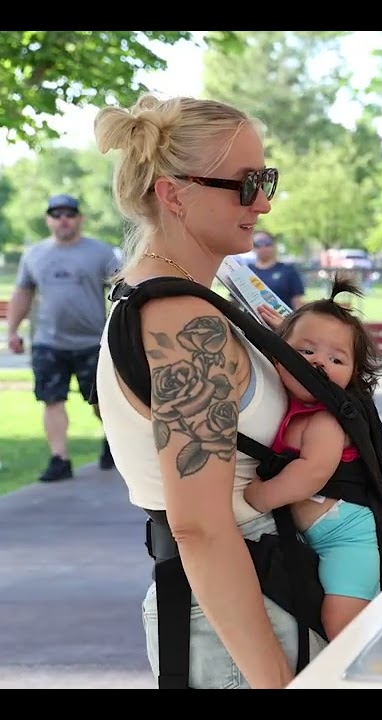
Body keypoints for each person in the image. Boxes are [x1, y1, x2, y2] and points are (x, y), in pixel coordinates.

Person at [91, 93, 320, 689]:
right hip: (239, 617)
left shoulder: (174, 295)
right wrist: (273, 678)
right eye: (246, 184)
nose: (263, 203)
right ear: (174, 194)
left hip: (245, 598)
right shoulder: (180, 320)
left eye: (266, 180)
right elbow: (199, 526)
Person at [242, 276, 382, 640]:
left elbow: (312, 474)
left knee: (342, 624)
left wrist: (261, 495)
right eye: (306, 352)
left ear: (353, 375)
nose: (319, 363)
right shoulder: (293, 401)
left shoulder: (327, 420)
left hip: (347, 539)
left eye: (336, 359)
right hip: (318, 534)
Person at [7, 194, 120, 481]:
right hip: (48, 342)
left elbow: (121, 290)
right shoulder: (34, 255)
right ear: (48, 220)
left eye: (69, 214)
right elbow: (22, 293)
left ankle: (112, 442)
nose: (63, 220)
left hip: (92, 342)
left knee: (100, 401)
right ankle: (60, 459)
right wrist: (12, 331)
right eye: (56, 214)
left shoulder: (100, 252)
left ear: (79, 218)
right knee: (51, 400)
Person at [247, 231, 307, 310]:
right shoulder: (247, 271)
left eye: (267, 243)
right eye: (257, 245)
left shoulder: (288, 270)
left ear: (274, 245)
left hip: (282, 316)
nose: (263, 247)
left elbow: (297, 302)